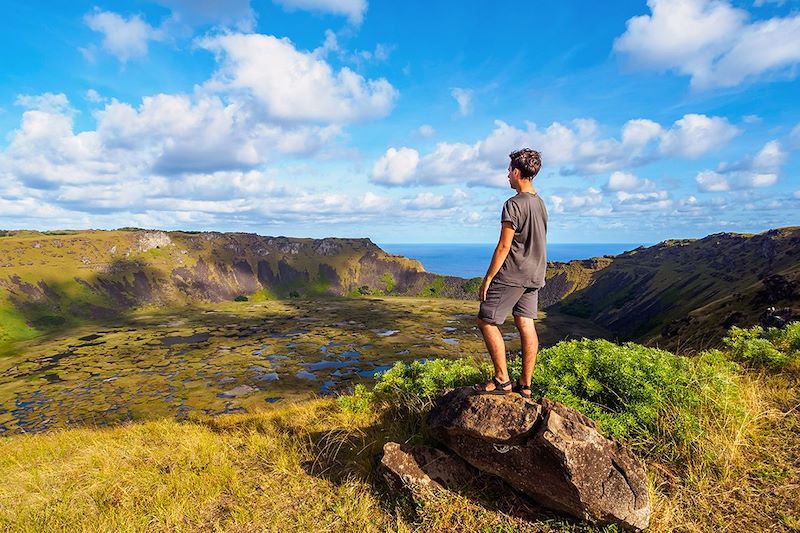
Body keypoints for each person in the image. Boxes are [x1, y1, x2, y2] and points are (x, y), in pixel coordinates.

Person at [473, 148, 547, 398]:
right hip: (535, 274)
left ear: (517, 172)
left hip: (513, 274)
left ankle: (502, 379)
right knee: (526, 323)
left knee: (486, 320)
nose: (507, 175)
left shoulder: (513, 204)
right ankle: (525, 385)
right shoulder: (540, 203)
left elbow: (504, 245)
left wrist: (489, 278)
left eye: (508, 171)